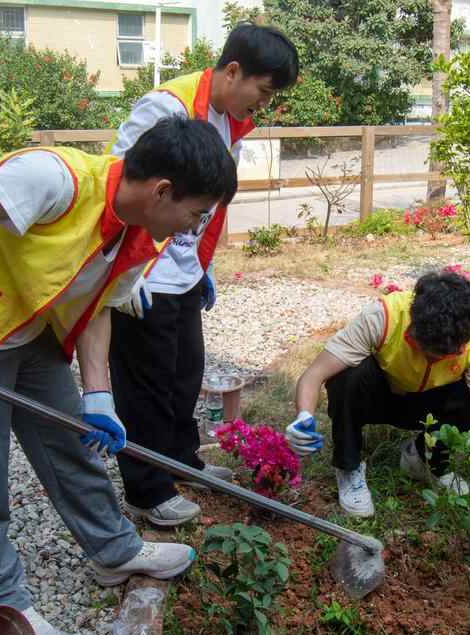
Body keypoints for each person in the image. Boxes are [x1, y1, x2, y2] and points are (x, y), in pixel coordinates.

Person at [0, 117, 237, 634]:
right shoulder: (53, 179)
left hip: (31, 327)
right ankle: (3, 600)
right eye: (196, 214)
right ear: (161, 191)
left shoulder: (136, 232)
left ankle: (113, 550)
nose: (193, 229)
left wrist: (99, 396)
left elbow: (97, 307)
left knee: (72, 442)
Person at [107, 23, 299, 527]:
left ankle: (180, 462)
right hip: (146, 276)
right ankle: (147, 490)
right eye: (264, 91)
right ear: (233, 71)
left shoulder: (228, 120)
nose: (264, 104)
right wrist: (126, 273)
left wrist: (203, 265)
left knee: (184, 374)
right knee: (146, 387)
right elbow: (120, 183)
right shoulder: (164, 108)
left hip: (184, 272)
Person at [285, 271, 470, 518]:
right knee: (345, 377)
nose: (431, 359)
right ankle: (348, 467)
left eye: (442, 356)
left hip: (431, 407)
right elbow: (313, 375)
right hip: (381, 397)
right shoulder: (383, 316)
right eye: (425, 350)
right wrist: (303, 418)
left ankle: (422, 459)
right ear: (413, 323)